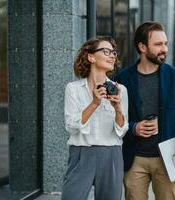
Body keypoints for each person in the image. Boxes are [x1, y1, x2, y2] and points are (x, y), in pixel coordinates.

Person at [114, 21, 175, 200]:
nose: (164, 49)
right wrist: (134, 127)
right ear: (142, 47)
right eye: (158, 44)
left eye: (165, 43)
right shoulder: (123, 78)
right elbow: (113, 117)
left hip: (168, 158)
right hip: (134, 158)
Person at [61, 36, 129, 200]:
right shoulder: (73, 89)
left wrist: (118, 108)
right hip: (81, 154)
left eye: (113, 52)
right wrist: (94, 103)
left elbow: (122, 129)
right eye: (106, 51)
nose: (112, 55)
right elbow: (71, 126)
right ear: (91, 57)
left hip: (111, 155)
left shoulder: (120, 90)